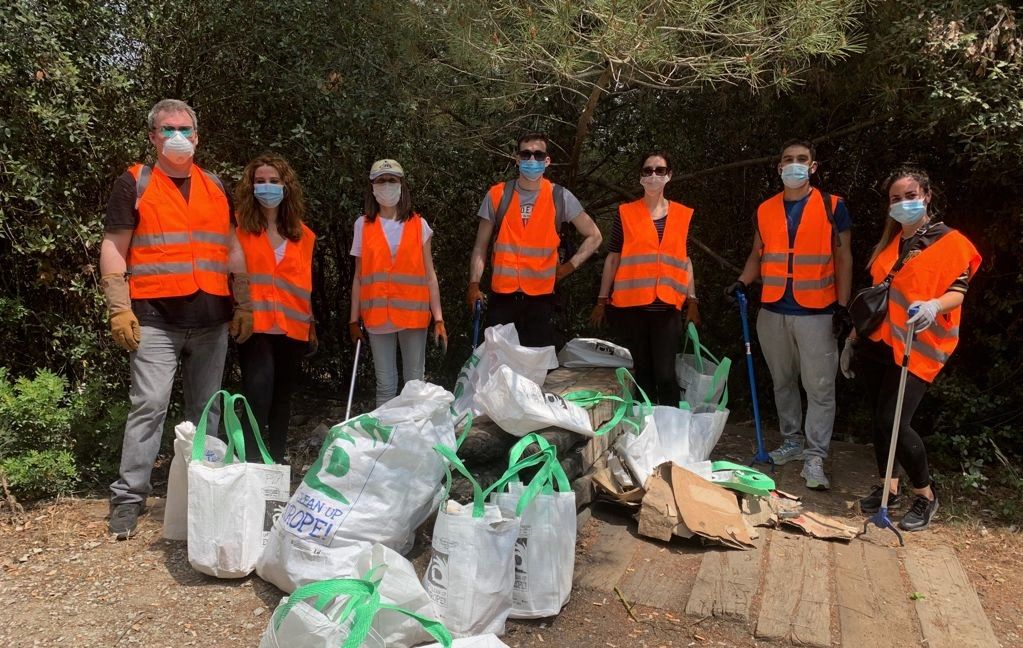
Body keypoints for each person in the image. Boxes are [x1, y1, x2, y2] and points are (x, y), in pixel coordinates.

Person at [99, 99, 249, 539]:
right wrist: (118, 306)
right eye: (167, 129)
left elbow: (232, 249)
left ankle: (205, 496)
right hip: (155, 319)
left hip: (212, 318)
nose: (177, 136)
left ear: (198, 136)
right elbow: (114, 244)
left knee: (207, 412)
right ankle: (128, 500)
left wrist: (245, 303)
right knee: (148, 408)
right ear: (153, 137)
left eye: (185, 128)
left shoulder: (215, 186)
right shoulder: (136, 183)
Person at [842, 167, 980, 531]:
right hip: (878, 343)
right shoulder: (891, 243)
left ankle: (926, 496)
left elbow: (959, 290)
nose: (903, 204)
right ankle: (889, 488)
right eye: (895, 199)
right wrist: (853, 339)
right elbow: (879, 298)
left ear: (927, 196)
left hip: (918, 344)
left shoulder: (949, 242)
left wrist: (935, 305)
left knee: (893, 421)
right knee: (879, 420)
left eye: (910, 196)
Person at [725, 139, 853, 490]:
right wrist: (742, 281)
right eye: (787, 159)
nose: (794, 165)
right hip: (773, 309)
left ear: (813, 166)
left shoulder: (833, 206)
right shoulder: (765, 209)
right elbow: (757, 254)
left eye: (802, 159)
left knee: (820, 387)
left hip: (817, 311)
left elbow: (844, 258)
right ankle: (793, 440)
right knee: (782, 381)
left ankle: (815, 455)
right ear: (779, 167)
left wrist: (843, 306)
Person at [467, 132, 602, 347]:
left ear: (547, 161)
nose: (532, 160)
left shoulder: (559, 196)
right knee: (496, 366)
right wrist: (474, 284)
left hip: (541, 299)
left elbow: (595, 236)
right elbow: (480, 247)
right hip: (502, 297)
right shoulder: (497, 194)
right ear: (517, 159)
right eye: (526, 154)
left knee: (536, 367)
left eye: (538, 155)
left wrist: (568, 267)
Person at [589, 151, 699, 405]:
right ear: (640, 177)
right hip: (632, 307)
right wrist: (602, 300)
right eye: (647, 171)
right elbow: (613, 257)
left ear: (669, 176)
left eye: (659, 170)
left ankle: (671, 431)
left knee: (665, 373)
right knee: (644, 373)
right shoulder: (626, 213)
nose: (653, 176)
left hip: (667, 307)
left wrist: (692, 300)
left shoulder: (682, 215)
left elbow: (685, 261)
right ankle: (645, 430)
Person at [234, 154, 316, 462]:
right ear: (251, 187)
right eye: (260, 182)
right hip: (256, 326)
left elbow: (305, 285)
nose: (267, 187)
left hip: (292, 328)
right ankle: (251, 463)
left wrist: (311, 324)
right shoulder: (240, 230)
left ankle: (277, 463)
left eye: (274, 181)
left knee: (282, 399)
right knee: (257, 394)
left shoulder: (304, 235)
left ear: (286, 186)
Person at [349, 159, 447, 407]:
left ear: (401, 185)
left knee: (414, 384)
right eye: (381, 181)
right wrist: (353, 319)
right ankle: (387, 441)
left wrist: (438, 319)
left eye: (392, 180)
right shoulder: (363, 225)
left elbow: (430, 275)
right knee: (386, 385)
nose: (387, 185)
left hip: (413, 317)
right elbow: (359, 277)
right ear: (372, 187)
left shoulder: (418, 225)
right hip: (377, 317)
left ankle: (413, 438)